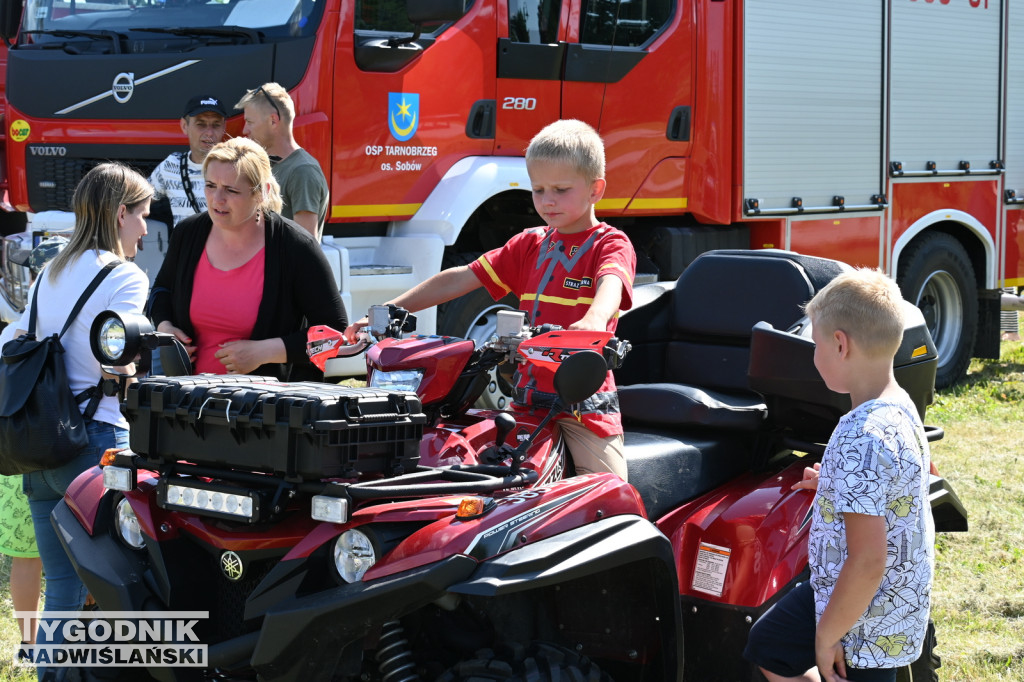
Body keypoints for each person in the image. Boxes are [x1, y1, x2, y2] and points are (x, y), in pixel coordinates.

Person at [346, 119, 635, 480]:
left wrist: (593, 320)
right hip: (527, 399)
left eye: (561, 189)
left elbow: (611, 283)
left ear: (596, 189)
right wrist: (393, 308)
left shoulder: (610, 243)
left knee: (607, 496)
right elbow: (462, 278)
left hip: (583, 404)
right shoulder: (530, 244)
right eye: (538, 189)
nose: (547, 200)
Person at [743, 269, 935, 682]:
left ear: (840, 344)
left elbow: (867, 561)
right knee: (770, 644)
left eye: (815, 345)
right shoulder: (899, 406)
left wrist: (828, 637)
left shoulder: (861, 434)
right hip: (891, 599)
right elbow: (890, 487)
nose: (814, 357)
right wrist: (832, 483)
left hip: (865, 619)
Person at [15, 164, 152, 679]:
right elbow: (117, 361)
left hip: (39, 447)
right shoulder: (125, 276)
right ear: (120, 214)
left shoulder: (48, 273)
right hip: (96, 444)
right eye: (141, 216)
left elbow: (14, 343)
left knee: (62, 590)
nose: (144, 228)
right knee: (112, 589)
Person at [149, 137, 346, 382]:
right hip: (188, 407)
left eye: (231, 190)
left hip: (268, 412)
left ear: (262, 193)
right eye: (210, 185)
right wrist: (165, 328)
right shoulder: (188, 233)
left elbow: (334, 336)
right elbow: (161, 291)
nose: (217, 199)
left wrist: (266, 353)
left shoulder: (294, 246)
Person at [0, 236, 71, 653]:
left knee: (27, 557)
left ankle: (29, 644)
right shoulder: (78, 325)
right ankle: (81, 634)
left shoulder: (11, 331)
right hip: (67, 447)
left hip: (14, 458)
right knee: (84, 554)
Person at [235, 82, 328, 240]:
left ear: (273, 121)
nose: (245, 130)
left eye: (250, 122)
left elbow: (304, 246)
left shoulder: (302, 171)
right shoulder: (265, 165)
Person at [148, 94, 228, 230]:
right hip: (185, 251)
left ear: (224, 127)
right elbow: (137, 201)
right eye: (201, 124)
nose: (209, 132)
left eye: (216, 125)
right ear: (184, 126)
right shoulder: (171, 166)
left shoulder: (236, 168)